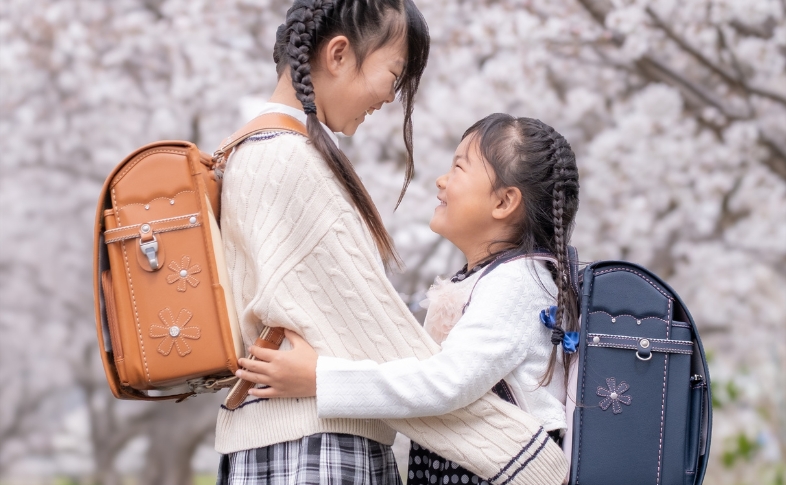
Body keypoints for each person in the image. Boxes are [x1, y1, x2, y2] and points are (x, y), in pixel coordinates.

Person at [216, 0, 569, 481]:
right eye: (395, 74)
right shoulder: (291, 161)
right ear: (338, 55)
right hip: (314, 442)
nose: (391, 96)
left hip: (294, 433)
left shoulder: (251, 153)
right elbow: (381, 337)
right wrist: (525, 455)